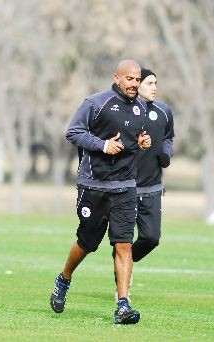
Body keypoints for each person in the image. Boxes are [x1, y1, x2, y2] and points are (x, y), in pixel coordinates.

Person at [50, 59, 151, 324]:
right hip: (94, 185)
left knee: (124, 245)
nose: (134, 84)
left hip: (126, 187)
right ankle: (64, 279)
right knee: (87, 243)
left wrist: (141, 141)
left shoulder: (141, 108)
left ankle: (123, 304)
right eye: (130, 79)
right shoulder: (96, 103)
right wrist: (103, 145)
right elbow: (73, 132)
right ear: (116, 78)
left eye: (138, 79)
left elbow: (134, 136)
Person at [112, 68, 174, 300]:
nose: (154, 87)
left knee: (151, 238)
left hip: (152, 187)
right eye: (149, 83)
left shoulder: (164, 111)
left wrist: (166, 153)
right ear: (137, 86)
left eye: (155, 82)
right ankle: (122, 276)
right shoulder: (125, 111)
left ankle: (123, 261)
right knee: (122, 240)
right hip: (125, 185)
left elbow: (168, 137)